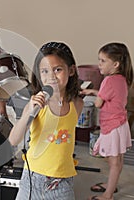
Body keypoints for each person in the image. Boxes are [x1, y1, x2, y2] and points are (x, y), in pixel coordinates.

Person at [9, 42, 83, 200]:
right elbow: (14, 139)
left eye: (58, 70)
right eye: (44, 71)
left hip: (63, 182)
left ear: (70, 70)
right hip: (33, 180)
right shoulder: (37, 104)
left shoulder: (77, 104)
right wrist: (29, 109)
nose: (51, 76)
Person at [81, 42, 133, 200]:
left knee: (114, 161)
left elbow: (98, 103)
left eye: (103, 61)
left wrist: (91, 95)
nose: (99, 64)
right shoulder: (121, 79)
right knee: (116, 160)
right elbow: (110, 96)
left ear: (115, 64)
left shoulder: (108, 81)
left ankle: (108, 195)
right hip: (121, 124)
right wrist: (94, 91)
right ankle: (111, 184)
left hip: (112, 126)